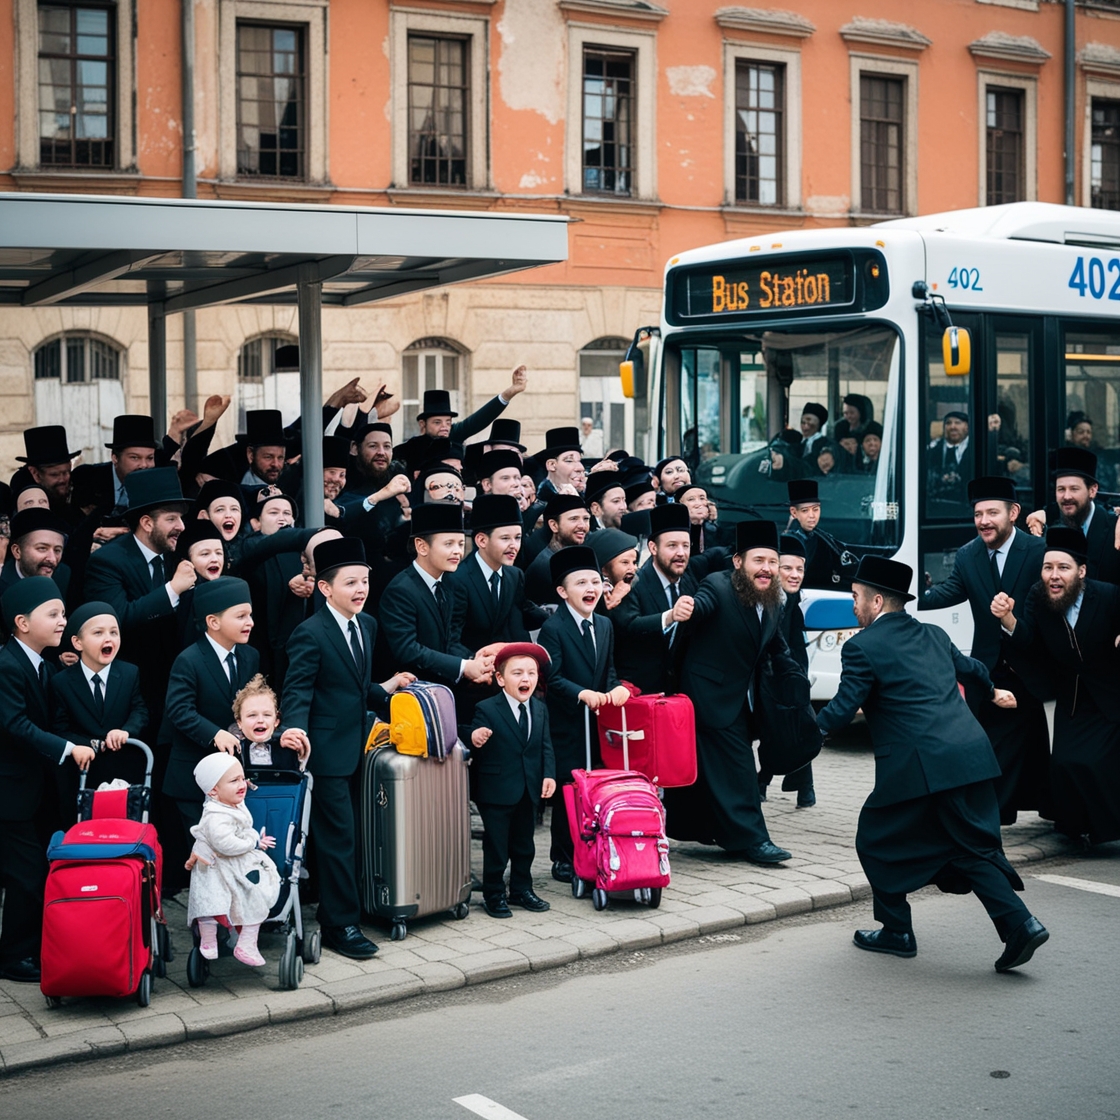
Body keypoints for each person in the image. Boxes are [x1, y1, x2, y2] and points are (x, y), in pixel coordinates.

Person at [816, 556, 1048, 973]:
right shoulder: (935, 635)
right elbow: (973, 668)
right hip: (972, 756)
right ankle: (1019, 925)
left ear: (878, 600)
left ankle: (896, 931)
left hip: (922, 767)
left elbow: (841, 709)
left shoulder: (861, 647)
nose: (853, 606)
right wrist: (994, 692)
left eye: (856, 598)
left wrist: (803, 736)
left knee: (874, 839)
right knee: (968, 846)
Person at [281, 536, 415, 961]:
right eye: (350, 583)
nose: (360, 589)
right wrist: (295, 733)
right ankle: (340, 925)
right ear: (325, 588)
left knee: (355, 834)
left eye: (365, 581)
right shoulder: (309, 633)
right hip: (323, 752)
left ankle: (352, 907)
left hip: (361, 747)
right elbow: (297, 691)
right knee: (339, 839)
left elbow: (359, 689)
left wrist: (399, 706)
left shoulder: (368, 625)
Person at [667, 519, 798, 864]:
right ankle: (754, 840)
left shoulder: (771, 598)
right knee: (740, 768)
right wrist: (689, 610)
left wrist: (796, 677)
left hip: (741, 697)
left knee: (713, 770)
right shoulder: (717, 585)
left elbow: (775, 646)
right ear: (738, 562)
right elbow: (702, 607)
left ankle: (708, 829)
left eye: (772, 562)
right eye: (759, 561)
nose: (766, 569)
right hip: (707, 694)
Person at [920, 477, 1048, 824]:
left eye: (992, 512)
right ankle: (993, 814)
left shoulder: (1038, 553)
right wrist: (910, 596)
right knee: (984, 745)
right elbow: (949, 592)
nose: (984, 521)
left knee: (1014, 749)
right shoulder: (968, 554)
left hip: (1027, 668)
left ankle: (986, 819)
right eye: (978, 514)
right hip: (985, 670)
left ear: (1014, 513)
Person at [995, 527, 1120, 846]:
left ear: (1081, 571)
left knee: (1095, 763)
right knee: (1063, 764)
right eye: (1048, 567)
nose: (1053, 575)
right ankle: (1075, 826)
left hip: (1109, 695)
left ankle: (1106, 828)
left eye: (1062, 568)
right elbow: (1030, 642)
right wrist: (1010, 620)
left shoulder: (1107, 595)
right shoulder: (1038, 598)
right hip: (1072, 699)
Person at [0, 577, 96, 982]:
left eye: (62, 613)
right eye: (53, 614)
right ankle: (12, 957)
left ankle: (33, 949)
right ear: (22, 622)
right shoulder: (6, 665)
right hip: (9, 793)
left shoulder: (42, 663)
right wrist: (66, 748)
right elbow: (15, 724)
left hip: (31, 790)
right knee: (26, 876)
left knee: (35, 870)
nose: (62, 622)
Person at [538, 546, 628, 882]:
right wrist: (582, 693)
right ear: (562, 592)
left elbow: (609, 671)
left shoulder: (604, 624)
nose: (591, 589)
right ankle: (561, 856)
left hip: (597, 722)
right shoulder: (554, 628)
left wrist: (618, 688)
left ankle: (591, 848)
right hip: (565, 722)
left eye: (595, 581)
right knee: (568, 790)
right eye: (581, 583)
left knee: (594, 789)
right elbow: (553, 677)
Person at [162, 578, 264, 839]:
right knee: (204, 851)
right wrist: (215, 733)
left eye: (250, 615)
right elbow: (179, 709)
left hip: (234, 777)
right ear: (213, 621)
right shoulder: (189, 660)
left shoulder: (250, 656)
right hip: (193, 776)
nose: (250, 622)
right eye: (241, 616)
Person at [469, 643, 556, 918]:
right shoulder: (487, 708)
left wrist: (549, 774)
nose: (526, 679)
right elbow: (470, 732)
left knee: (524, 843)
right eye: (517, 673)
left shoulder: (540, 709)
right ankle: (494, 894)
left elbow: (545, 745)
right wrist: (475, 736)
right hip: (496, 789)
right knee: (496, 845)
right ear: (500, 679)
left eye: (531, 673)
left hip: (528, 786)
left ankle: (521, 888)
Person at [49, 601, 149, 820]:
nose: (108, 638)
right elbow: (59, 728)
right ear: (77, 642)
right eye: (98, 632)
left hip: (123, 769)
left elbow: (139, 710)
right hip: (82, 772)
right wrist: (88, 744)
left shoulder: (129, 673)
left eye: (114, 632)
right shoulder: (61, 682)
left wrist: (126, 731)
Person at [378, 503, 492, 688]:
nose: (458, 551)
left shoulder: (449, 581)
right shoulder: (400, 590)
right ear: (422, 546)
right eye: (449, 544)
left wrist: (475, 661)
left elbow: (450, 640)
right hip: (411, 690)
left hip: (444, 684)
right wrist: (463, 666)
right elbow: (408, 650)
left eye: (461, 544)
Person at [186, 753, 281, 968]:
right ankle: (241, 944)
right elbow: (226, 843)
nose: (242, 784)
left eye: (242, 778)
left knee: (212, 903)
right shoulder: (216, 816)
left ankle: (215, 941)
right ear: (213, 790)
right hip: (223, 866)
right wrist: (253, 841)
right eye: (233, 781)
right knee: (252, 898)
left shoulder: (230, 804)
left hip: (224, 865)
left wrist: (255, 838)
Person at [612, 503, 696, 694]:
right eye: (672, 546)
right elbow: (629, 625)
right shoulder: (633, 581)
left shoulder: (689, 581)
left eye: (685, 545)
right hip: (641, 691)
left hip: (680, 691)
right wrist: (670, 616)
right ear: (653, 547)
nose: (681, 553)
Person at [758, 535, 815, 808]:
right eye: (788, 568)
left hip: (789, 666)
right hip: (765, 670)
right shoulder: (763, 596)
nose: (795, 575)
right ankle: (766, 782)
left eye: (800, 569)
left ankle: (802, 787)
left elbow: (792, 639)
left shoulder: (792, 598)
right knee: (779, 726)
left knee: (798, 721)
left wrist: (797, 674)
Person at [1023, 447, 1120, 585]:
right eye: (1061, 489)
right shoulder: (1046, 528)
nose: (1066, 496)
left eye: (1074, 489)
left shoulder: (1114, 530)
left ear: (1092, 490)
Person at [393, 369, 527, 467]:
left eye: (448, 422)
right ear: (422, 424)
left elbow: (478, 420)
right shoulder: (408, 449)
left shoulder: (453, 435)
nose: (444, 427)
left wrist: (508, 394)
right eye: (437, 422)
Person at [524, 494, 593, 605]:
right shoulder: (546, 566)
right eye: (573, 519)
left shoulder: (582, 556)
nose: (582, 525)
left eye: (586, 519)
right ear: (554, 525)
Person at [234, 673, 305, 770]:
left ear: (276, 721)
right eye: (252, 715)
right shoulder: (232, 752)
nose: (260, 720)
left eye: (267, 715)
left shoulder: (288, 747)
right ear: (239, 723)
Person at [926, 411, 972, 506]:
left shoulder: (976, 447)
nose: (952, 427)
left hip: (967, 504)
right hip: (938, 504)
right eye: (948, 423)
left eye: (957, 423)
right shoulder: (934, 449)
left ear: (967, 427)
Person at [534, 427, 586, 500]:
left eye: (579, 461)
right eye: (569, 461)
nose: (581, 468)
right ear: (551, 465)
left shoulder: (586, 497)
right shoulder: (541, 503)